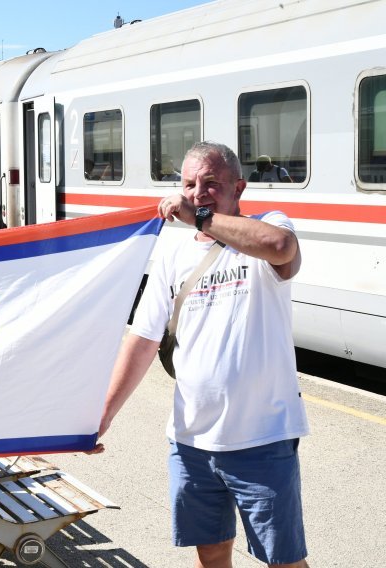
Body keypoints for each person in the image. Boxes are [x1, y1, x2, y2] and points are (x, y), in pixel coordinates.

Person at [98, 141, 309, 568]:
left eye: (212, 183)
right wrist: (101, 418)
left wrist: (203, 219)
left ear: (238, 188)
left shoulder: (269, 225)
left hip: (263, 437)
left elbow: (282, 249)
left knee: (282, 561)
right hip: (191, 441)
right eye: (190, 184)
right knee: (211, 555)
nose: (198, 192)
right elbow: (141, 341)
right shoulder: (172, 256)